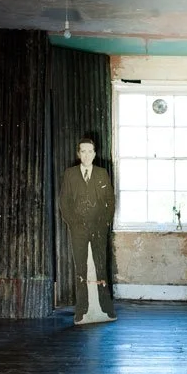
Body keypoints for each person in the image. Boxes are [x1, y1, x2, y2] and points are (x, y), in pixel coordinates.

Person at [59, 137, 117, 324]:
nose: (86, 155)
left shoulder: (102, 173)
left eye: (89, 151)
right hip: (78, 229)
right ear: (78, 154)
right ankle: (81, 310)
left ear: (94, 153)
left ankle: (106, 308)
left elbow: (110, 201)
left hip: (99, 227)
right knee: (81, 268)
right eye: (82, 151)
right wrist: (73, 223)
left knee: (101, 265)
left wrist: (105, 222)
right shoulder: (70, 174)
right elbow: (64, 202)